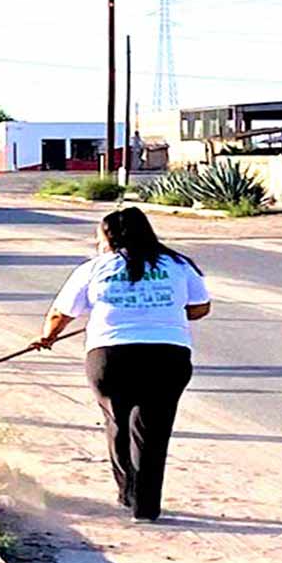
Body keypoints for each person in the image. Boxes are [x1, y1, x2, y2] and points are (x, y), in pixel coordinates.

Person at [34, 207, 211, 522]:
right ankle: (145, 507)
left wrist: (48, 337)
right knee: (153, 431)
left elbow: (60, 314)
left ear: (109, 237)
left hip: (110, 356)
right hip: (167, 355)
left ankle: (126, 493)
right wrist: (163, 311)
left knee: (117, 421)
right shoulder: (179, 265)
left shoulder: (95, 267)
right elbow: (200, 308)